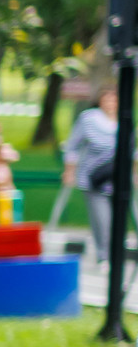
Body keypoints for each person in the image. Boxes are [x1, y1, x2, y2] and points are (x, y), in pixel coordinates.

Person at [62, 83, 121, 265]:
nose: (110, 102)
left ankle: (111, 255)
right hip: (94, 178)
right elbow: (73, 145)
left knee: (117, 220)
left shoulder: (124, 121)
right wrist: (69, 171)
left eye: (114, 98)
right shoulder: (89, 119)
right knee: (102, 220)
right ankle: (105, 256)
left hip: (118, 179)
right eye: (107, 98)